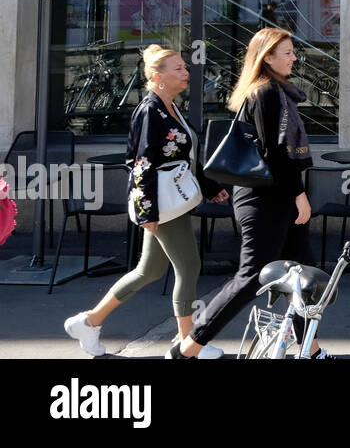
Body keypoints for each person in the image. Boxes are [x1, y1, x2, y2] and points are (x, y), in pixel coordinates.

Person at [63, 45, 229, 358]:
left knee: (149, 270)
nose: (186, 72)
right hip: (161, 204)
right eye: (178, 68)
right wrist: (146, 210)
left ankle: (89, 321)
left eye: (184, 67)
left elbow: (185, 156)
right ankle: (187, 345)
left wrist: (210, 186)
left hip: (170, 199)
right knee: (189, 266)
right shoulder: (150, 111)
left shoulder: (171, 107)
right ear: (157, 76)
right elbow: (142, 163)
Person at [171, 27, 325, 359]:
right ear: (266, 57)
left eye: (292, 51)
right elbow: (275, 153)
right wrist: (299, 194)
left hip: (274, 194)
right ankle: (188, 348)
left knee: (301, 277)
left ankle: (311, 351)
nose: (294, 57)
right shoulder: (266, 92)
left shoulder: (278, 91)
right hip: (262, 198)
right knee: (252, 276)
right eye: (287, 53)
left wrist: (293, 193)